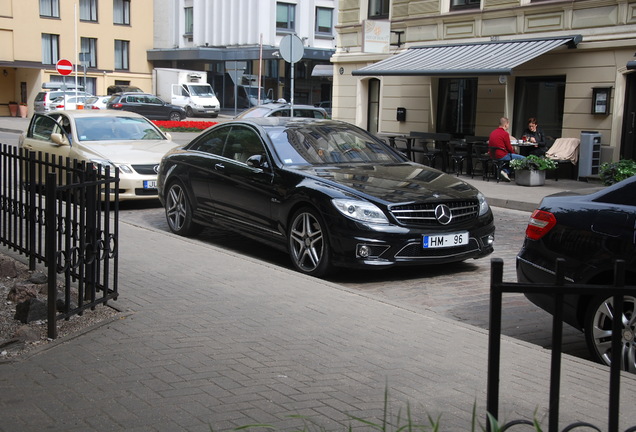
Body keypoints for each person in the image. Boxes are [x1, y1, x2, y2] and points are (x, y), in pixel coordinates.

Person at [488, 117, 525, 182]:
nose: (508, 126)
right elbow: (509, 148)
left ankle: (504, 171)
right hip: (502, 155)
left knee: (513, 158)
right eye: (508, 124)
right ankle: (506, 171)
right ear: (505, 125)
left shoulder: (492, 133)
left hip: (493, 155)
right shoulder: (505, 134)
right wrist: (514, 153)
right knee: (522, 158)